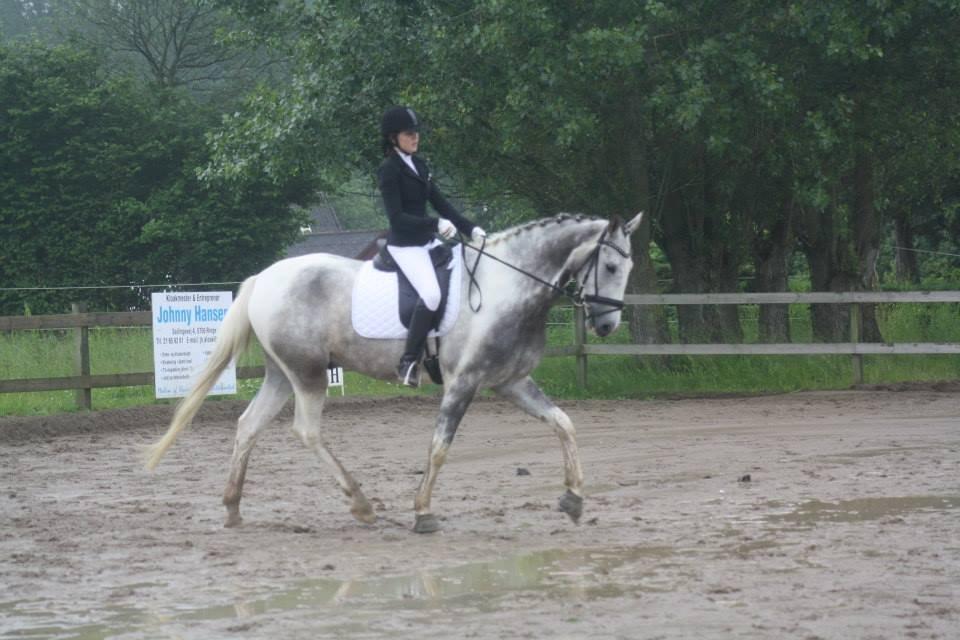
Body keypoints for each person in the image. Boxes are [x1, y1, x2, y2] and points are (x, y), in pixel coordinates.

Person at [378, 106, 486, 387]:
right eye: (409, 134)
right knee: (431, 294)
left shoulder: (420, 166)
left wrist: (470, 228)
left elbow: (442, 204)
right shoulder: (389, 170)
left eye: (416, 133)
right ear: (394, 138)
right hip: (405, 247)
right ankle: (408, 361)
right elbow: (397, 218)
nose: (415, 138)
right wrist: (434, 224)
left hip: (427, 243)